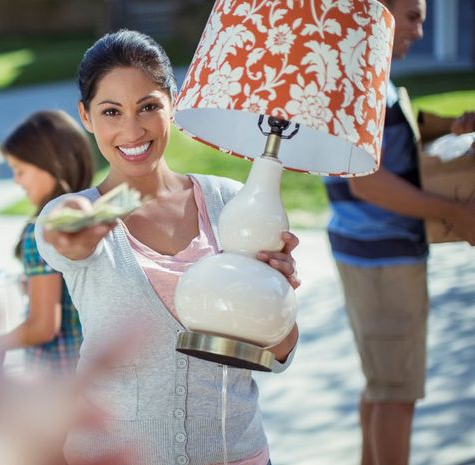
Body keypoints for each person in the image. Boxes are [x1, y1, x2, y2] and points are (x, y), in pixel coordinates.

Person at [35, 30, 301, 465]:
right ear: (85, 116)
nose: (132, 129)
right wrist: (90, 220)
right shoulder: (75, 213)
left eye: (148, 107)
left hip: (236, 454)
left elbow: (278, 352)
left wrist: (277, 298)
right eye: (111, 112)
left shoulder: (232, 203)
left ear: (172, 105)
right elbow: (63, 238)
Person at [324, 1, 475, 464]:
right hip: (382, 256)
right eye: (411, 15)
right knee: (396, 393)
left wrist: (451, 128)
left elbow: (390, 156)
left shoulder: (371, 77)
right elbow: (365, 180)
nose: (420, 29)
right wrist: (457, 212)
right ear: (375, 12)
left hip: (375, 252)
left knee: (383, 387)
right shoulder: (362, 82)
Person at [0, 110, 94, 376]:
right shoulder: (94, 214)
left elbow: (43, 326)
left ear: (51, 165)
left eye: (20, 170)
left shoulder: (40, 232)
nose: (16, 180)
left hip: (58, 380)